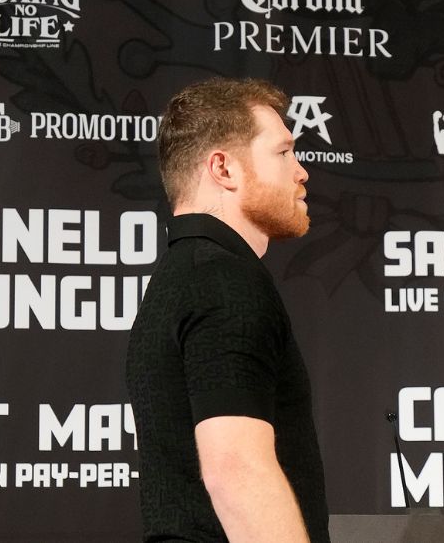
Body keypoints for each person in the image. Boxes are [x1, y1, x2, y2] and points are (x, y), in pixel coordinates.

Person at [127, 78, 328, 542]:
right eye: (283, 153)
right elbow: (237, 472)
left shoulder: (182, 275)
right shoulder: (224, 280)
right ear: (223, 168)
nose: (302, 172)